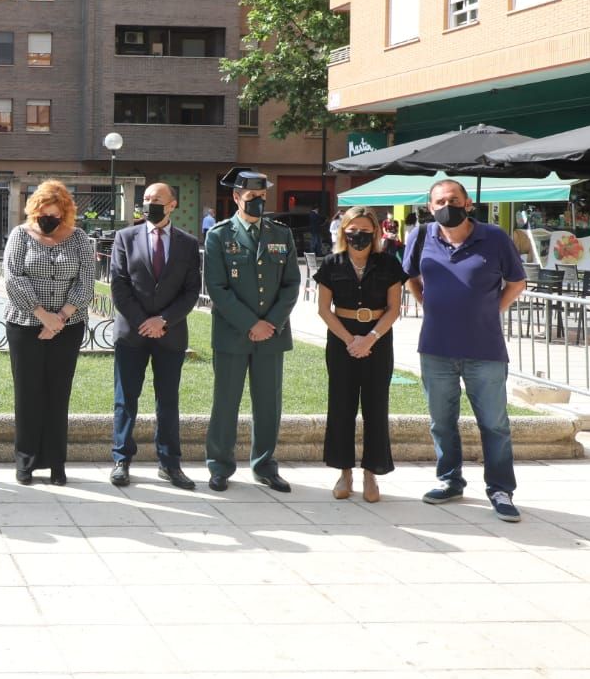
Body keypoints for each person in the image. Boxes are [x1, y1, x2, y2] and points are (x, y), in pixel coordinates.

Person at [404, 179, 529, 522]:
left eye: (454, 199)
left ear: (468, 203)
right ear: (430, 207)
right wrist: (425, 302)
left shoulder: (494, 237)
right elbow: (410, 276)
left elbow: (517, 282)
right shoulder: (421, 236)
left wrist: (492, 310)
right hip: (436, 347)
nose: (447, 205)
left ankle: (501, 489)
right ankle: (449, 480)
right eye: (440, 201)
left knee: (494, 424)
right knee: (441, 422)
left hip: (484, 348)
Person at [203, 167, 302, 493]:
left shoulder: (280, 234)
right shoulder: (219, 235)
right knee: (226, 402)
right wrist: (251, 324)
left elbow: (291, 284)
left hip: (271, 336)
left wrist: (270, 323)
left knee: (268, 404)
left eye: (261, 197)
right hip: (233, 334)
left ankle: (265, 465)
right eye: (251, 197)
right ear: (236, 197)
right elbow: (217, 288)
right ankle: (220, 466)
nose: (257, 202)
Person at [109, 182, 202, 490]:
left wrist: (163, 321)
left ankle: (170, 464)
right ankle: (122, 460)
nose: (149, 204)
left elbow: (191, 292)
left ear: (172, 204)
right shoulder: (125, 238)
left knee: (168, 402)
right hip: (131, 334)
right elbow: (119, 286)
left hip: (170, 334)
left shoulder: (188, 244)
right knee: (126, 400)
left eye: (156, 199)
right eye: (146, 199)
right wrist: (143, 322)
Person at [3, 181, 95, 486]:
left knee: (58, 395)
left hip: (68, 327)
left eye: (55, 215)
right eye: (43, 213)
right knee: (27, 394)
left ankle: (57, 463)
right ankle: (25, 461)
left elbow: (86, 281)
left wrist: (60, 318)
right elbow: (14, 277)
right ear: (34, 210)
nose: (48, 219)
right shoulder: (20, 236)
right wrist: (42, 315)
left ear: (65, 213)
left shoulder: (79, 238)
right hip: (25, 326)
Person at [315, 207, 405, 502]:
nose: (359, 237)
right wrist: (350, 340)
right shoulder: (331, 264)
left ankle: (371, 473)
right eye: (353, 231)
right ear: (343, 232)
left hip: (377, 339)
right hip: (342, 340)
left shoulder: (388, 264)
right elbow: (323, 310)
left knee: (375, 407)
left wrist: (370, 339)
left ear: (376, 233)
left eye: (366, 231)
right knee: (341, 406)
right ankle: (344, 472)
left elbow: (394, 309)